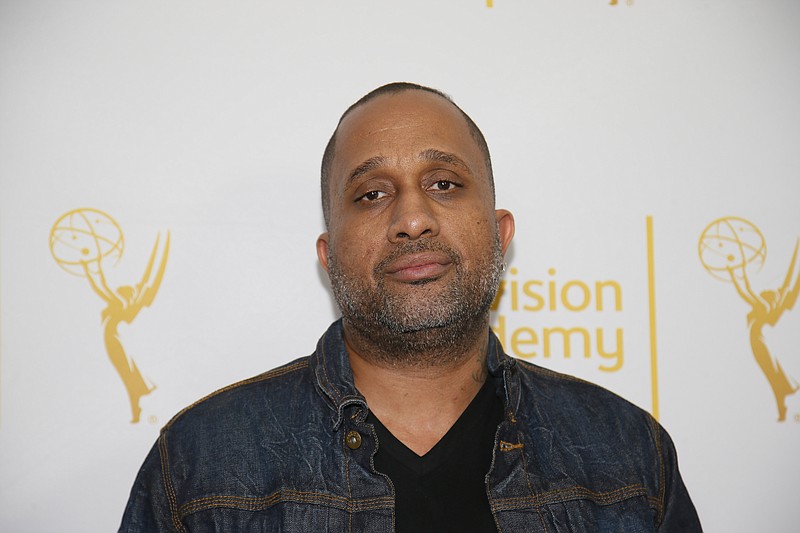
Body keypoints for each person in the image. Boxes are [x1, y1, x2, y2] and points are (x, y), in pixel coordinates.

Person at [119, 82, 701, 532]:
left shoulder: (627, 455)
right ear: (329, 254)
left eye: (444, 183)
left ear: (501, 234)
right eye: (371, 195)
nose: (412, 218)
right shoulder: (202, 465)